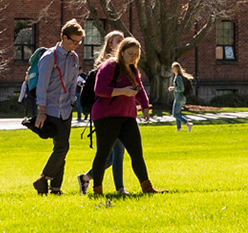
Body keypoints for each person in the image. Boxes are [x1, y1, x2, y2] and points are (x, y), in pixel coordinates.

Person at [78, 37, 159, 196]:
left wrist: (144, 106)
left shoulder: (133, 70)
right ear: (121, 52)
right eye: (130, 53)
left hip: (127, 116)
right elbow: (99, 90)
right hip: (106, 116)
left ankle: (147, 187)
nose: (133, 57)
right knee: (103, 153)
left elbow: (139, 89)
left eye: (136, 54)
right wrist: (123, 91)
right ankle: (97, 190)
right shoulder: (109, 66)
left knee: (136, 152)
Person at [30, 20, 85, 195]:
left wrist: (71, 100)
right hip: (51, 108)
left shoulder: (74, 58)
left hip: (66, 109)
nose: (76, 45)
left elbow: (72, 83)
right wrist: (42, 111)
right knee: (62, 147)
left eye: (79, 42)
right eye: (73, 41)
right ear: (64, 37)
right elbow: (42, 86)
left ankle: (55, 188)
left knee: (61, 148)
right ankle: (43, 179)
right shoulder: (49, 57)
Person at [88, 31, 128, 194]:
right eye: (118, 41)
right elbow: (101, 90)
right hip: (106, 115)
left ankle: (86, 177)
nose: (122, 43)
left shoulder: (124, 63)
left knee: (111, 156)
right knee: (117, 152)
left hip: (120, 113)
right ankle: (120, 189)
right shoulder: (104, 65)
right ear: (110, 44)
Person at [169, 62, 196, 131]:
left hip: (179, 98)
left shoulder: (178, 78)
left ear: (176, 69)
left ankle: (188, 124)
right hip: (179, 97)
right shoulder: (177, 76)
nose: (172, 69)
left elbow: (181, 88)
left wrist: (173, 88)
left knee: (175, 114)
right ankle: (178, 128)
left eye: (173, 68)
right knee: (178, 113)